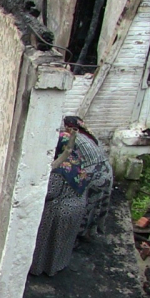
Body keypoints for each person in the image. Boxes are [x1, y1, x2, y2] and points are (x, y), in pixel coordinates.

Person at [30, 130, 90, 276]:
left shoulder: (60, 169)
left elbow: (50, 192)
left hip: (59, 212)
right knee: (64, 241)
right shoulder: (77, 161)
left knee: (48, 241)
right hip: (78, 207)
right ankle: (58, 265)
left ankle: (41, 268)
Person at [62, 116, 113, 238]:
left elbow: (65, 157)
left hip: (95, 173)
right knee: (100, 203)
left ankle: (80, 235)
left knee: (87, 205)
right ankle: (95, 231)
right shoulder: (89, 136)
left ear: (68, 126)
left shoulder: (72, 137)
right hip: (107, 170)